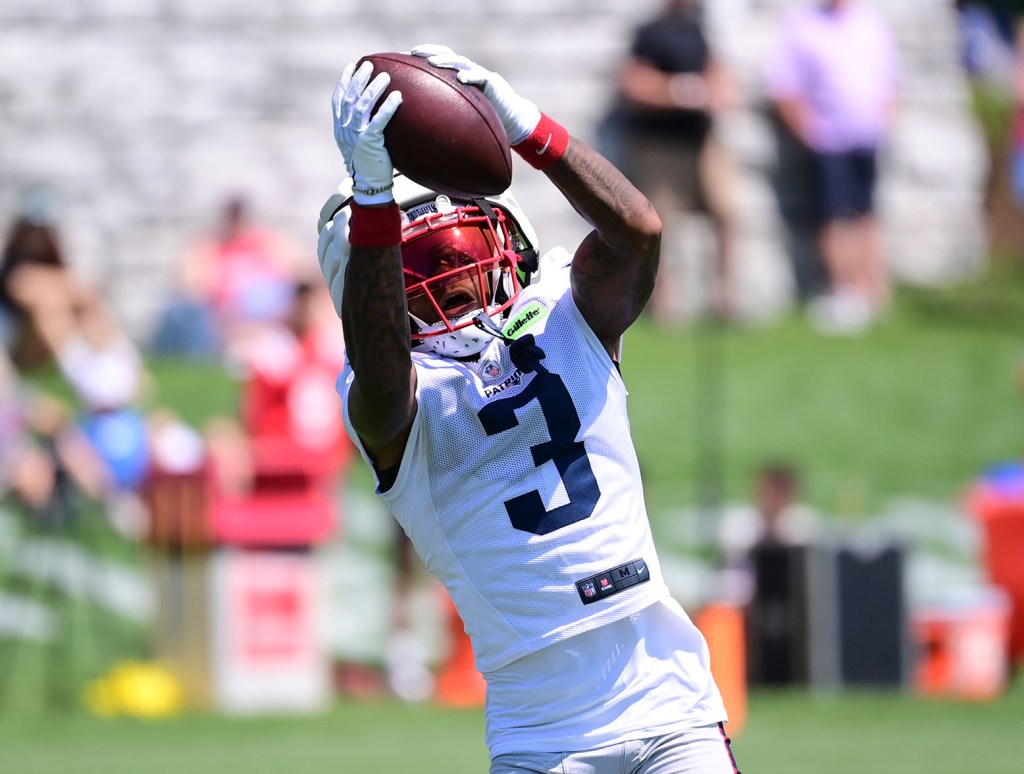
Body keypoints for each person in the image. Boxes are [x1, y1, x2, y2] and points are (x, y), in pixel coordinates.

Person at [317, 45, 740, 773]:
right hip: (543, 734)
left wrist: (526, 126)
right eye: (428, 265)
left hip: (667, 696)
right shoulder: (386, 398)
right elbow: (384, 377)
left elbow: (638, 230)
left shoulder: (565, 318)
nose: (455, 278)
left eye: (462, 246)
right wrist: (374, 197)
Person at [766, 0, 900, 335]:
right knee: (834, 217)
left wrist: (885, 119)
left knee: (866, 213)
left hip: (867, 138)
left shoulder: (870, 22)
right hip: (828, 139)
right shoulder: (803, 25)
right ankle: (845, 294)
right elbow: (784, 85)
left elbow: (891, 78)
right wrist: (808, 131)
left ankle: (871, 292)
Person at [614, 0, 738, 324]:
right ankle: (665, 306)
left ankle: (725, 299)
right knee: (661, 224)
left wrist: (715, 94)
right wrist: (680, 94)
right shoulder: (650, 33)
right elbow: (633, 84)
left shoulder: (699, 30)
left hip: (701, 141)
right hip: (659, 145)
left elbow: (717, 78)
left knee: (727, 212)